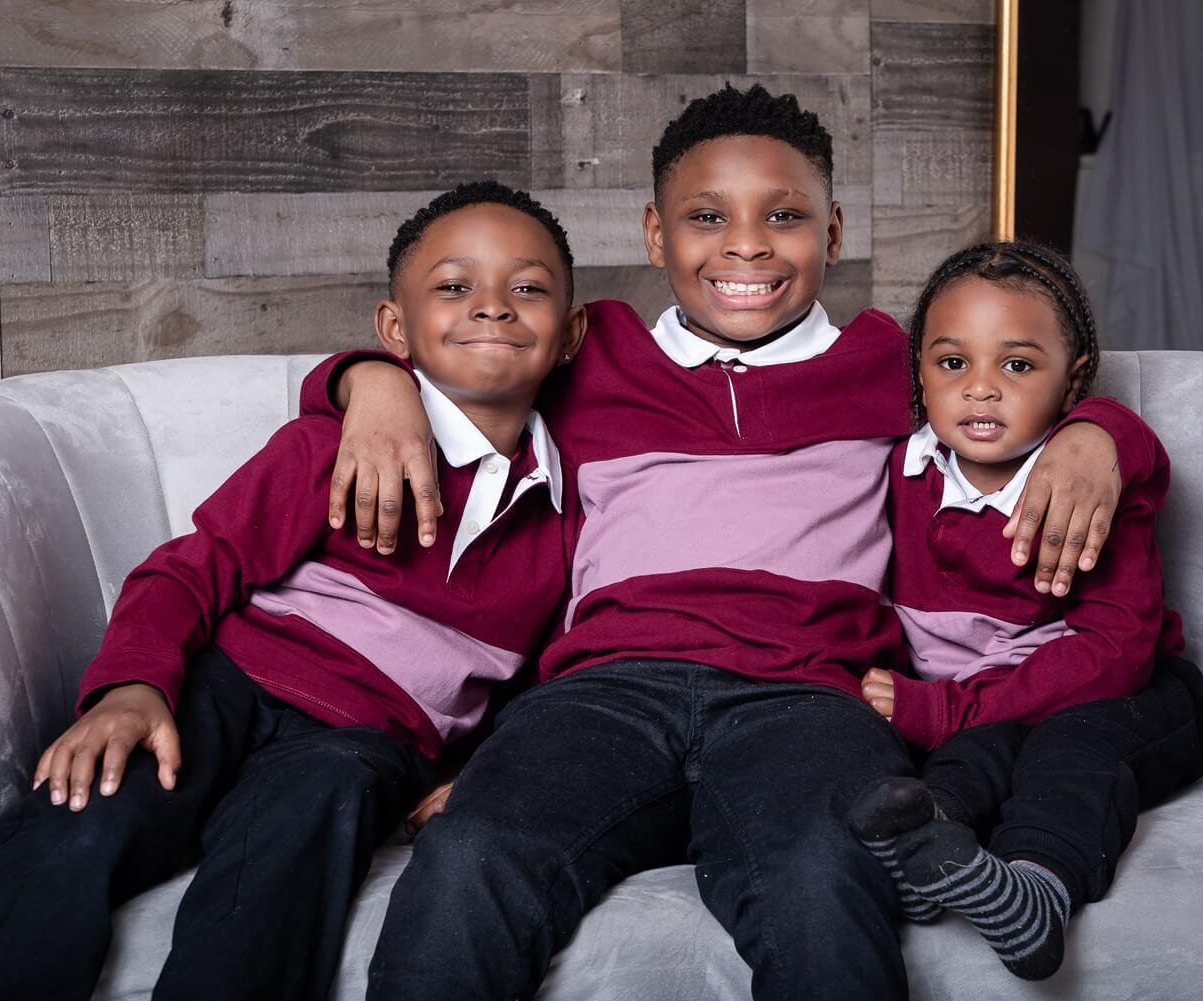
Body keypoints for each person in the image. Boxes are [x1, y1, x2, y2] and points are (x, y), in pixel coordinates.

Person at [300, 85, 1153, 1001]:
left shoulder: (887, 365)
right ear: (657, 235)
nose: (746, 244)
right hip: (605, 691)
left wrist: (1100, 432)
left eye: (782, 216)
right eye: (707, 217)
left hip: (808, 699)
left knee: (823, 877)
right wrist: (365, 381)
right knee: (470, 855)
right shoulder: (590, 356)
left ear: (830, 232)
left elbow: (1016, 382)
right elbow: (458, 363)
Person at [0, 181, 585, 1001]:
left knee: (295, 841)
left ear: (571, 333)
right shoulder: (332, 444)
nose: (492, 308)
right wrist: (131, 687)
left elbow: (561, 679)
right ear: (394, 329)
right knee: (80, 815)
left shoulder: (574, 512)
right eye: (454, 287)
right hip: (225, 685)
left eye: (527, 288)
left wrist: (495, 770)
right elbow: (193, 567)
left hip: (366, 739)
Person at [849, 241, 1203, 981]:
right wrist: (945, 712)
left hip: (1132, 692)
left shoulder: (1084, 486)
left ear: (1073, 378)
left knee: (1068, 750)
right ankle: (930, 858)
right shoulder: (900, 469)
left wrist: (948, 708)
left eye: (1017, 365)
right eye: (953, 363)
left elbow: (1113, 653)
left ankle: (1038, 893)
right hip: (993, 705)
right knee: (968, 758)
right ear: (918, 370)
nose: (981, 389)